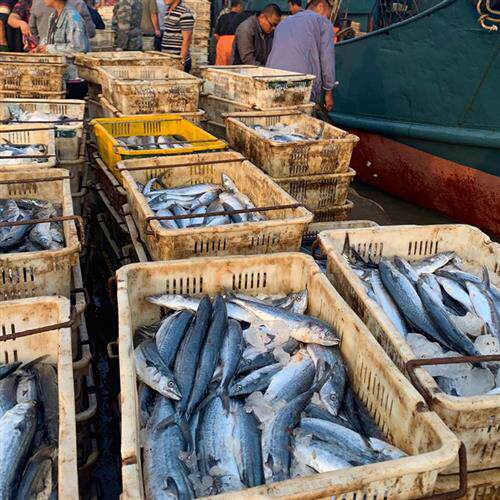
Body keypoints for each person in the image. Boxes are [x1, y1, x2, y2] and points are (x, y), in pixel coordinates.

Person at [266, 0, 335, 111]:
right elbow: (327, 60)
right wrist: (328, 91)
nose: (327, 17)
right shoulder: (323, 22)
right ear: (320, 6)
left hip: (271, 82)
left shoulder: (282, 23)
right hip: (301, 87)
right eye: (328, 14)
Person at [33, 0, 89, 97]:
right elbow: (50, 39)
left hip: (72, 78)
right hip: (58, 76)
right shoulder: (53, 16)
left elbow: (78, 48)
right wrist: (40, 48)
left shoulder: (73, 17)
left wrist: (49, 49)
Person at [161, 0, 194, 72]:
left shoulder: (184, 13)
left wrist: (182, 61)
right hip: (168, 59)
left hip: (178, 61)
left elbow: (187, 39)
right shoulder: (168, 10)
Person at [214, 0, 243, 65]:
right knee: (234, 65)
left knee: (221, 66)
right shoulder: (242, 17)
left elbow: (216, 34)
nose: (241, 9)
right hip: (235, 43)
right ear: (238, 6)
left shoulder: (222, 17)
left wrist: (222, 41)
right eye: (241, 7)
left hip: (222, 43)